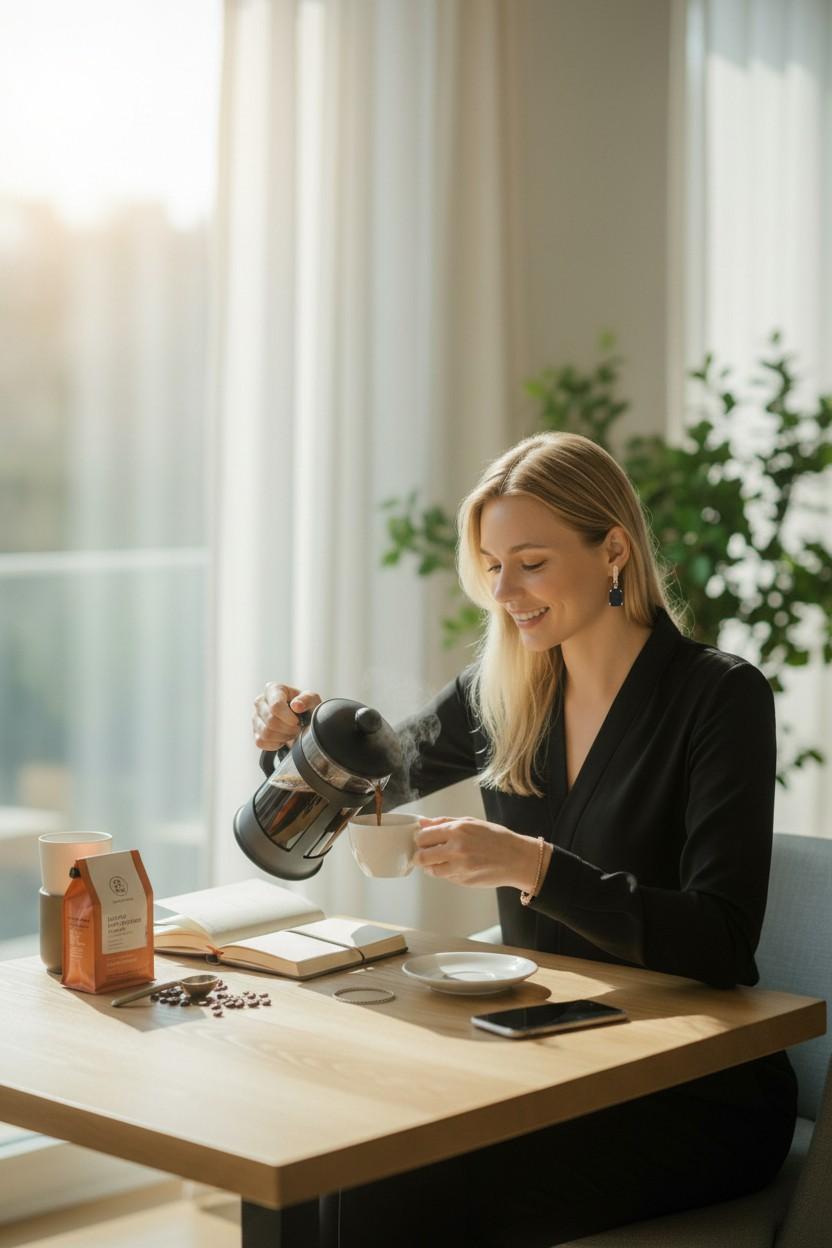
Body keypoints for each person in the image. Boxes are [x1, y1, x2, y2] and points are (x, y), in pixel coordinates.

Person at [251, 432, 797, 1248]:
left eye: (531, 562)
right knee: (298, 1152)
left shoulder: (721, 698)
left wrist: (532, 867)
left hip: (688, 1090)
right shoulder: (501, 690)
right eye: (493, 564)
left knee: (386, 1191)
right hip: (540, 1058)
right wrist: (293, 750)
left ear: (613, 549)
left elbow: (721, 943)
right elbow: (363, 793)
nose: (505, 590)